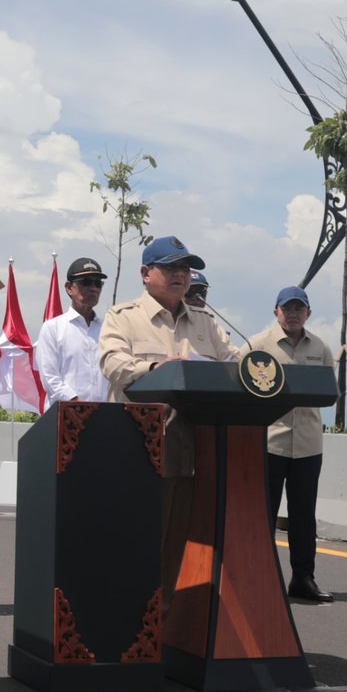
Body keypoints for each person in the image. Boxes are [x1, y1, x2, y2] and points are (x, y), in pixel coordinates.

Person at [98, 235, 241, 602]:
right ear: (146, 273)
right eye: (171, 268)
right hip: (141, 449)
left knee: (178, 552)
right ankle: (128, 618)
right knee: (136, 545)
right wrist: (157, 368)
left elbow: (234, 363)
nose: (181, 275)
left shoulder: (205, 323)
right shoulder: (124, 317)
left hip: (195, 452)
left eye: (186, 269)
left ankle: (164, 622)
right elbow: (113, 363)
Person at [249, 286, 336, 603]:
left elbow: (329, 391)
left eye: (299, 308)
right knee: (264, 515)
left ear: (308, 313)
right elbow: (239, 387)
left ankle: (303, 578)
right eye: (287, 308)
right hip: (269, 443)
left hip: (308, 444)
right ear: (276, 312)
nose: (293, 314)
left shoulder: (320, 348)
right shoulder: (258, 345)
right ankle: (260, 578)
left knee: (303, 515)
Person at [34, 256, 112, 403]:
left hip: (103, 412)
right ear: (69, 288)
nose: (93, 288)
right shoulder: (52, 328)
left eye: (98, 283)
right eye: (86, 282)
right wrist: (75, 401)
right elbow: (49, 377)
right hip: (65, 413)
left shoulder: (108, 330)